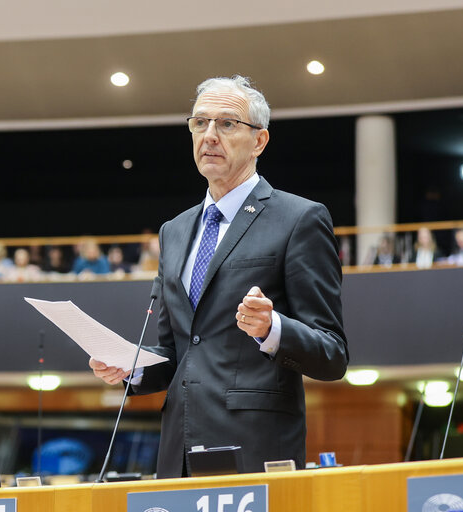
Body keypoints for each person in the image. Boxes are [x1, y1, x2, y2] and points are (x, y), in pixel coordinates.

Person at [89, 76, 348, 478]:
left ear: (259, 141)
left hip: (256, 449)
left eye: (226, 124)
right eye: (199, 123)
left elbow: (332, 354)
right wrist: (132, 367)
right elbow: (178, 351)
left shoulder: (299, 219)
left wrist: (271, 328)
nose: (209, 136)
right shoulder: (173, 231)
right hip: (180, 454)